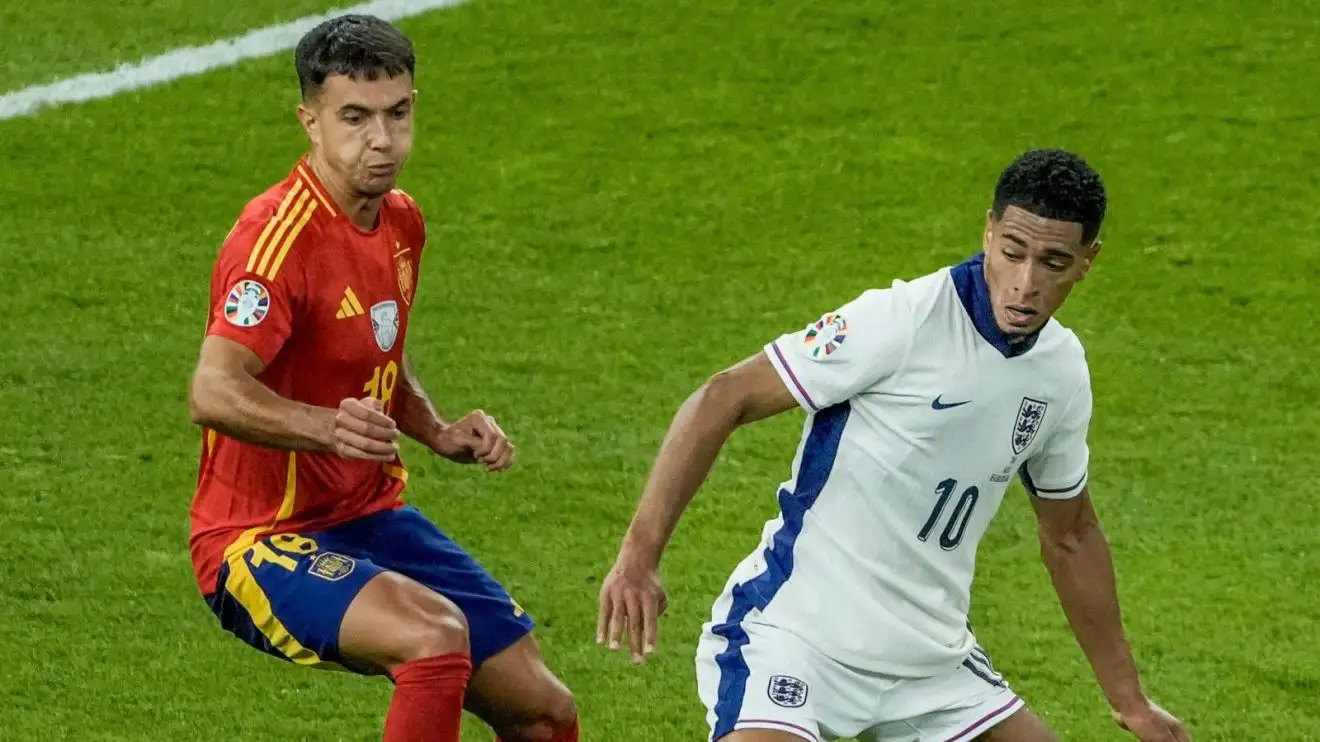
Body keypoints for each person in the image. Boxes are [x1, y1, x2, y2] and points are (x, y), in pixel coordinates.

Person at [598, 149, 1191, 742]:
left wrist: (1130, 701)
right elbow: (723, 397)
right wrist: (638, 557)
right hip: (799, 642)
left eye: (1054, 262)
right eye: (1012, 252)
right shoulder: (901, 321)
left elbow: (1072, 534)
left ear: (1088, 262)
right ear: (988, 231)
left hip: (931, 666)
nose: (1026, 283)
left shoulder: (1060, 372)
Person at [187, 15, 578, 742]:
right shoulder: (275, 240)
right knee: (433, 636)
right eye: (355, 118)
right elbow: (212, 390)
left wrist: (434, 428)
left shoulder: (400, 221)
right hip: (258, 538)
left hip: (371, 517)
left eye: (398, 114)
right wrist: (324, 427)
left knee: (544, 714)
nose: (382, 139)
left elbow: (374, 354)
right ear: (310, 121)